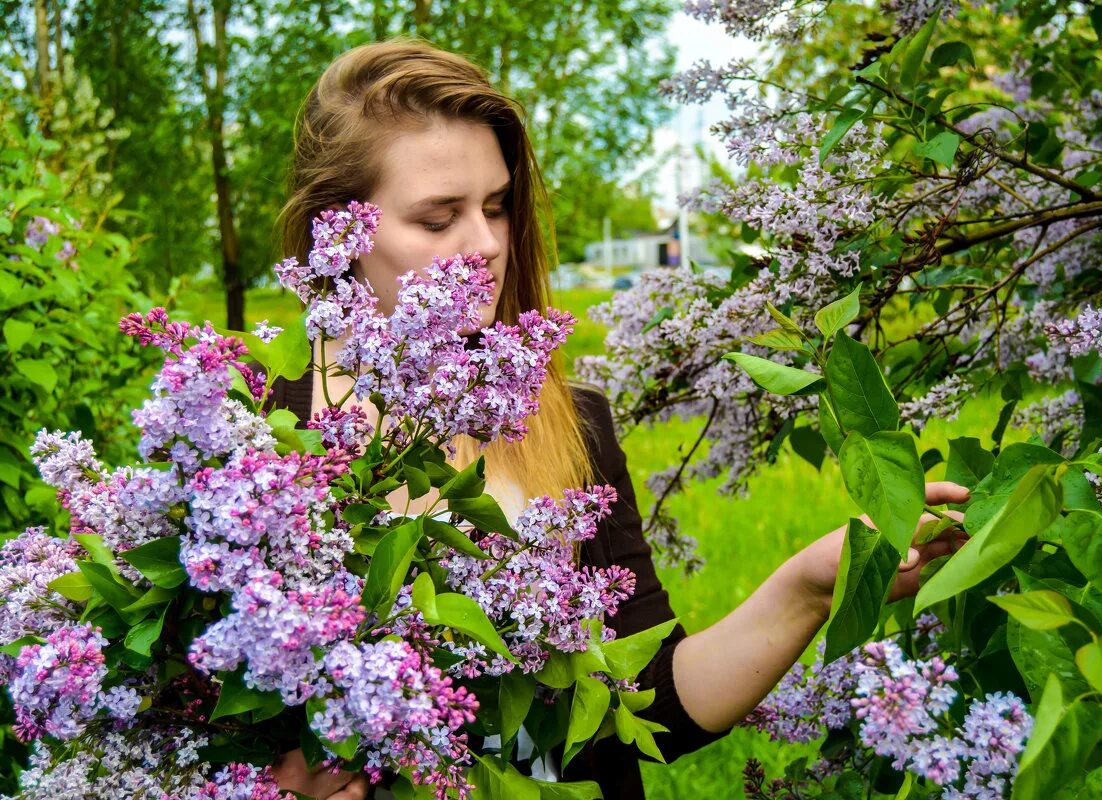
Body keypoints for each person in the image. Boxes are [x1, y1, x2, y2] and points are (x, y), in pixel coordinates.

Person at [265, 39, 970, 800]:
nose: (488, 245)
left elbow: (649, 703)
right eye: (438, 220)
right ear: (336, 235)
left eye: (498, 207)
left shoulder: (570, 424)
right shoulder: (261, 444)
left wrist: (807, 587)